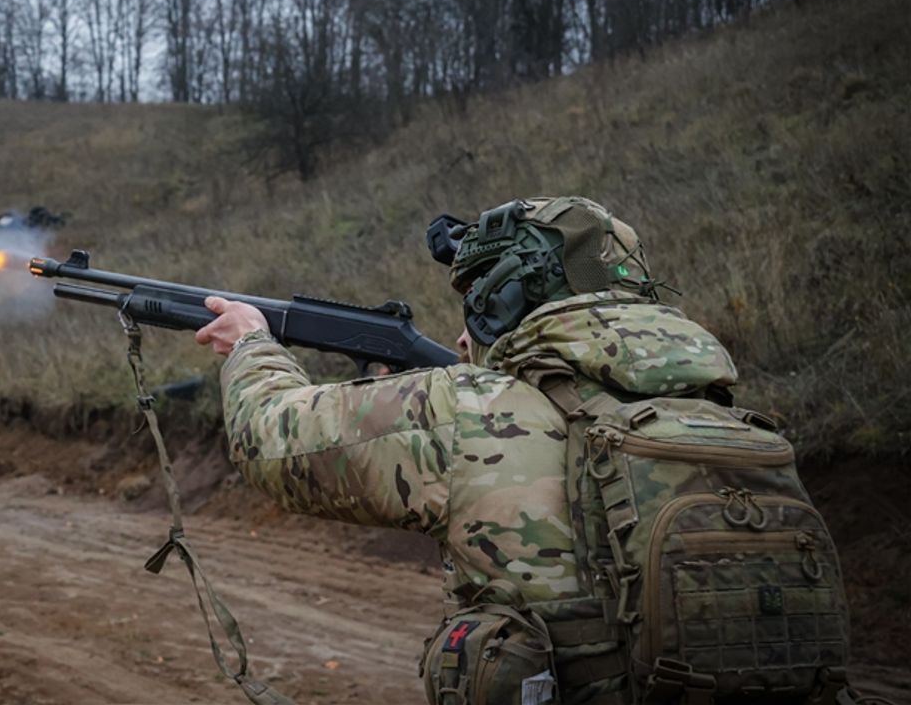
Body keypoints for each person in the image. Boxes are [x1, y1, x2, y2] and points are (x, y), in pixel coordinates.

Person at [193, 196, 849, 705]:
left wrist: (252, 342)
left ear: (501, 300)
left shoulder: (466, 409)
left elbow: (271, 439)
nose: (462, 333)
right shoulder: (739, 424)